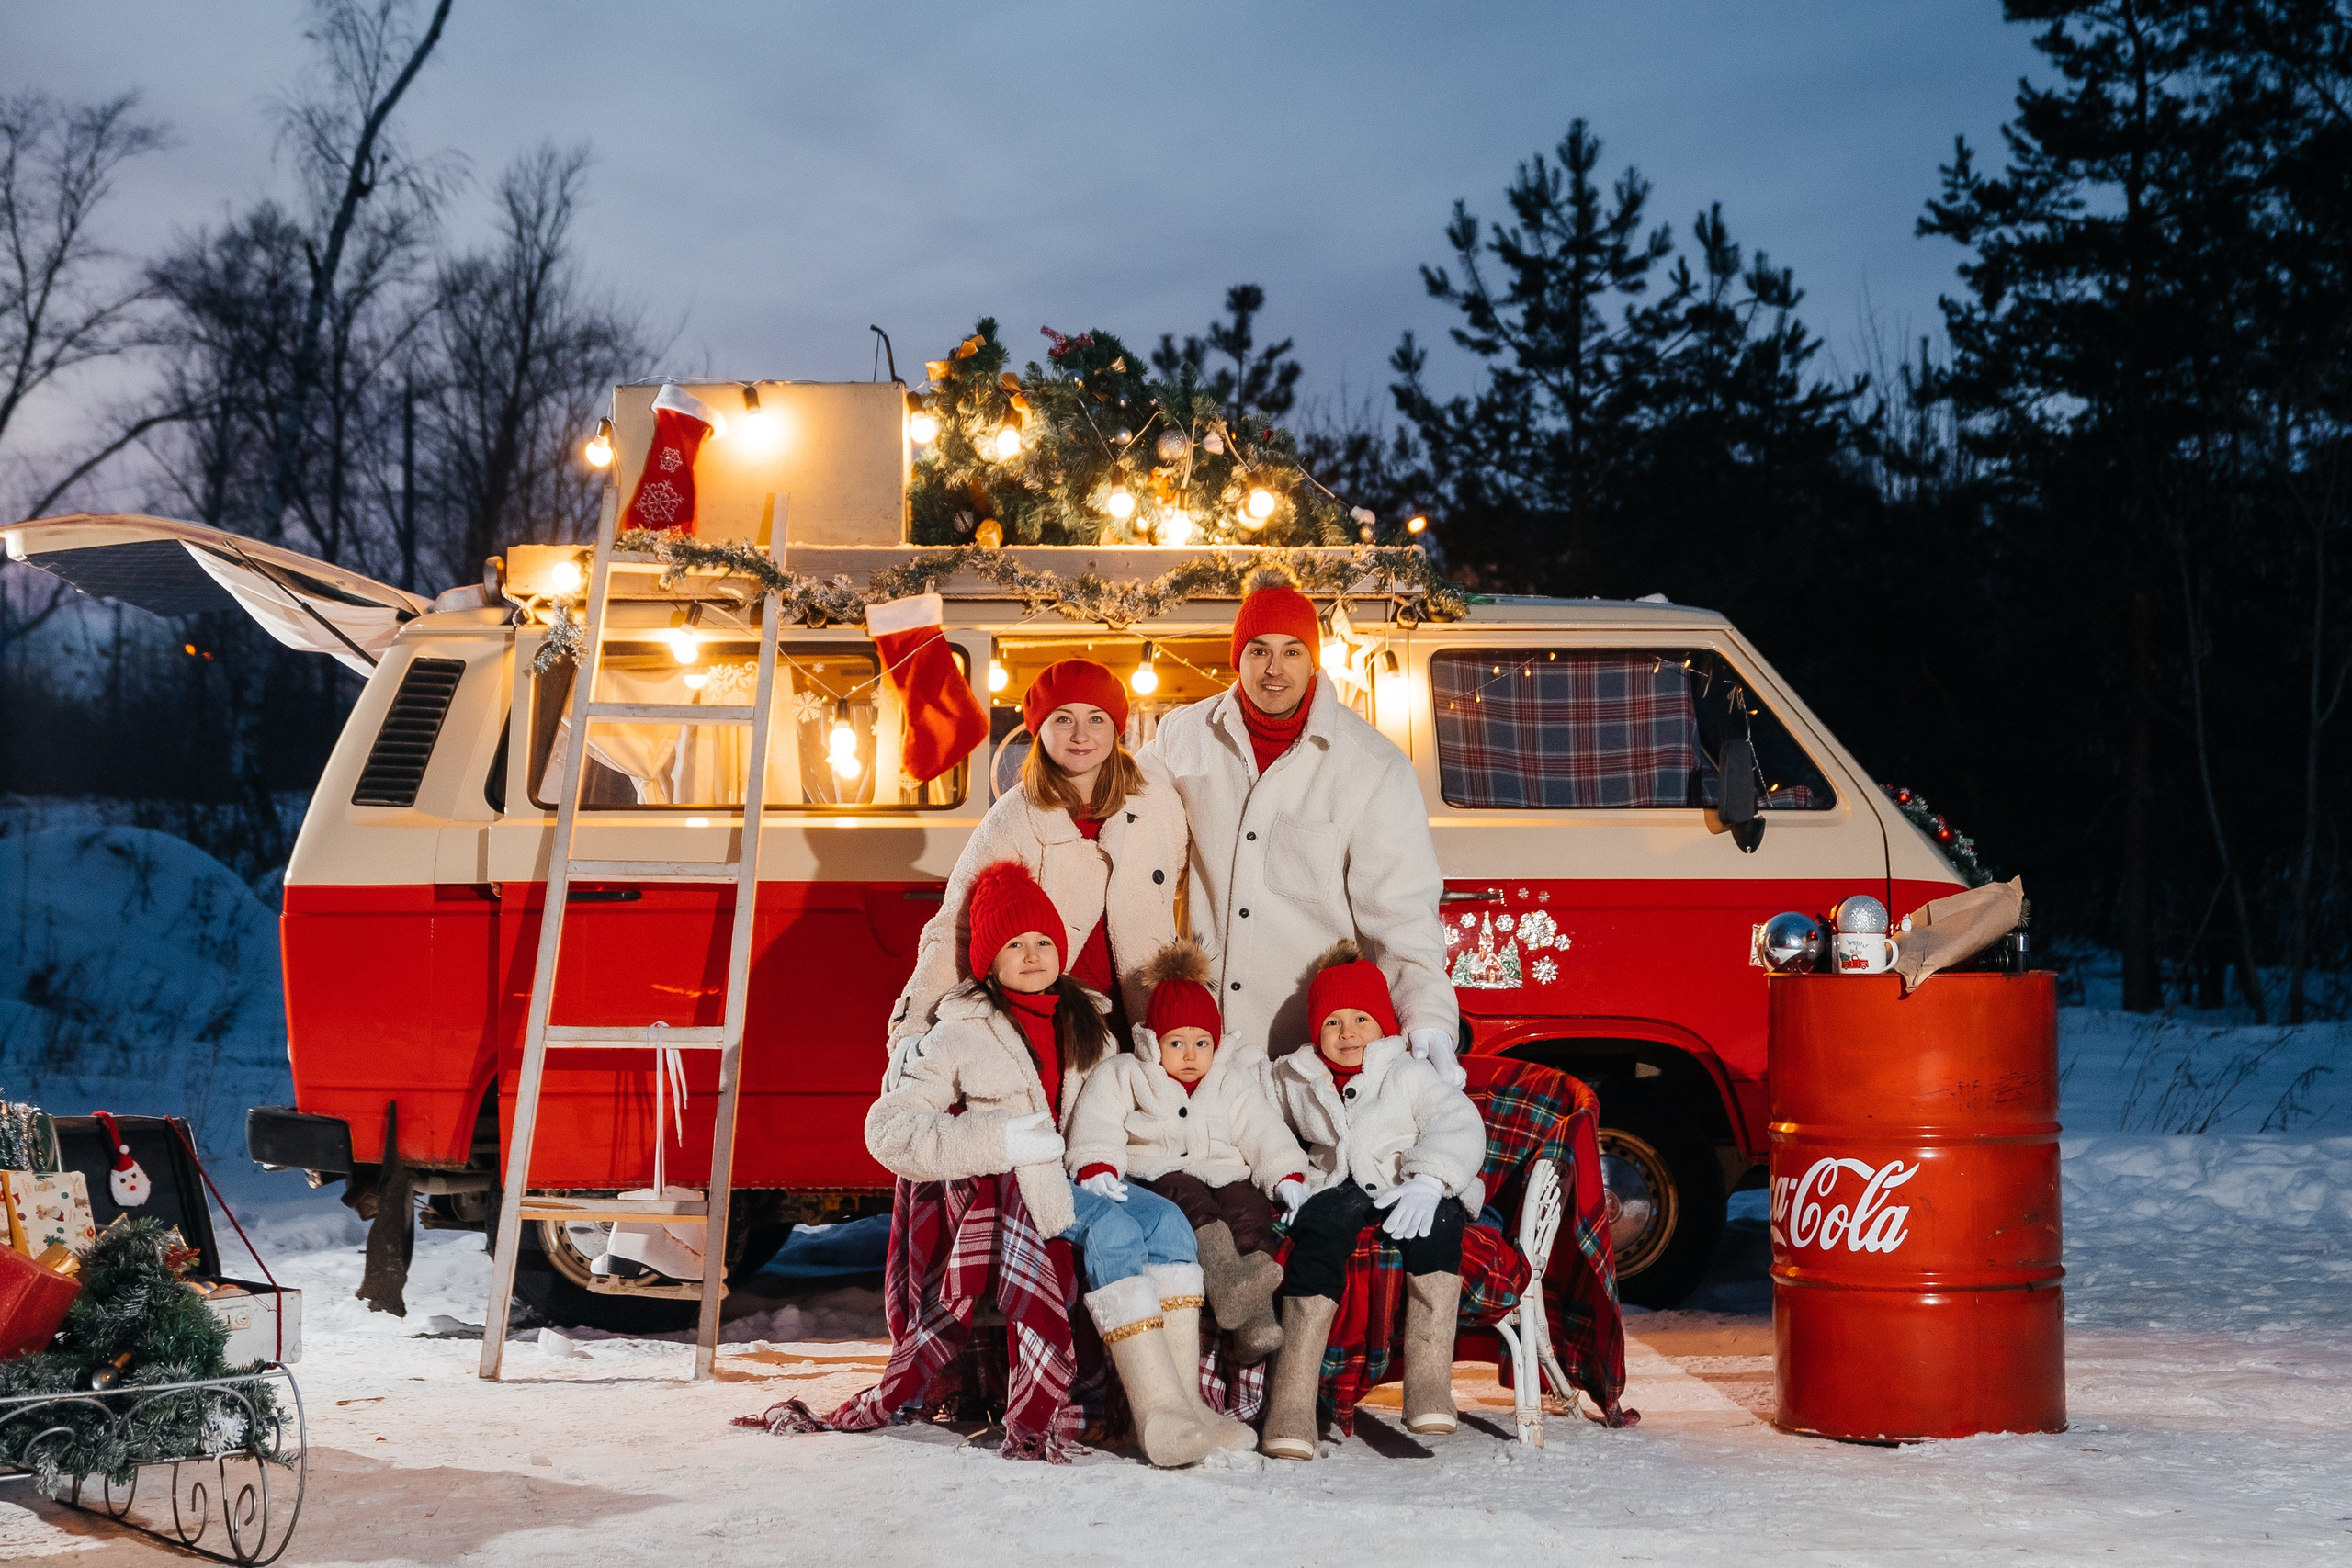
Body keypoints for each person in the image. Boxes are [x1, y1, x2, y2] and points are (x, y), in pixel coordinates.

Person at [864, 860, 1214, 1468]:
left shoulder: (1088, 1021)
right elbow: (889, 1130)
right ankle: (1157, 1411)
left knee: (1168, 1225)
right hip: (1013, 1189)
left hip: (1080, 1174)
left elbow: (1115, 1110)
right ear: (989, 962)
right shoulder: (959, 1033)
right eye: (1014, 943)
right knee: (1116, 1229)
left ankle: (1188, 1403)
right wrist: (1001, 1138)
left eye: (1044, 941)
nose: (1032, 954)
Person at [1136, 565, 1462, 1081]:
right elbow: (1119, 804)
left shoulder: (1372, 767)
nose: (1274, 669)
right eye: (1258, 650)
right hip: (1202, 1058)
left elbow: (1402, 915)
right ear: (1237, 658)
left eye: (1292, 651)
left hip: (1308, 1058)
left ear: (1313, 660)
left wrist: (1429, 1019)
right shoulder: (1183, 738)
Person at [886, 658, 1184, 1067]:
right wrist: (914, 1029)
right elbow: (956, 926)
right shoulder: (1013, 816)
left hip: (1147, 1020)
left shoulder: (1159, 804)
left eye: (1096, 719)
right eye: (1063, 719)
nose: (1080, 735)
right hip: (1053, 1022)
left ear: (1117, 729)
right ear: (1038, 729)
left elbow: (1191, 895)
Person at [1257, 941, 1487, 1461]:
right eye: (1333, 1022)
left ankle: (1428, 1385)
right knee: (1319, 1232)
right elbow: (1258, 1121)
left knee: (1439, 1225)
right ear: (1316, 1030)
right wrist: (1285, 1176)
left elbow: (1457, 1120)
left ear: (1383, 1024)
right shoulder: (1296, 1077)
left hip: (1406, 1177)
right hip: (1336, 1182)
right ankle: (1291, 1405)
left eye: (1361, 1019)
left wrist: (1431, 1181)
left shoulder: (1406, 1072)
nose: (1348, 1033)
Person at [1063, 939, 1309, 1377]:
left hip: (1224, 1170)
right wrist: (1096, 1163)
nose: (1192, 1055)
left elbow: (1262, 1129)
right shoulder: (1127, 1073)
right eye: (1177, 1043)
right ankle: (1224, 1278)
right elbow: (1096, 1119)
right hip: (1159, 1170)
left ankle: (1255, 1323)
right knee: (1188, 1198)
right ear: (1155, 1043)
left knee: (1249, 1209)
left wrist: (1286, 1173)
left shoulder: (1231, 1080)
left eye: (1201, 1043)